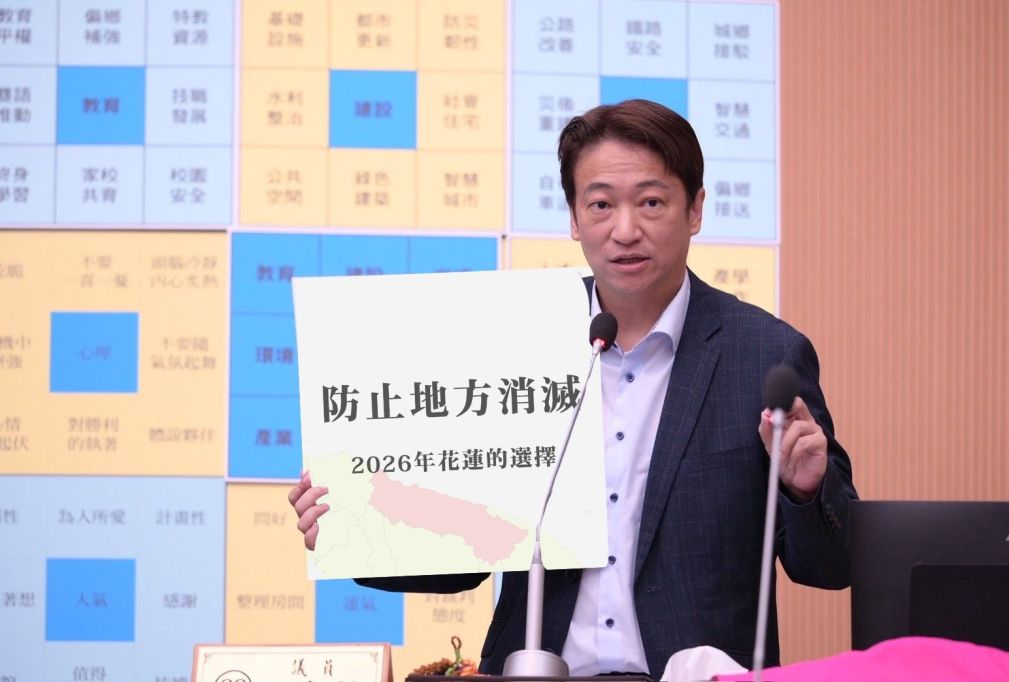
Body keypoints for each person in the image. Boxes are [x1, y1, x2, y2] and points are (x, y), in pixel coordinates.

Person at [289, 99, 857, 678]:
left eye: (651, 202)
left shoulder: (763, 355)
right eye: (601, 204)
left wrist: (807, 490)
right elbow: (461, 561)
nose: (625, 231)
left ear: (695, 210)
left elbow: (834, 564)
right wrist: (352, 524)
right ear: (574, 218)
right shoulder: (516, 341)